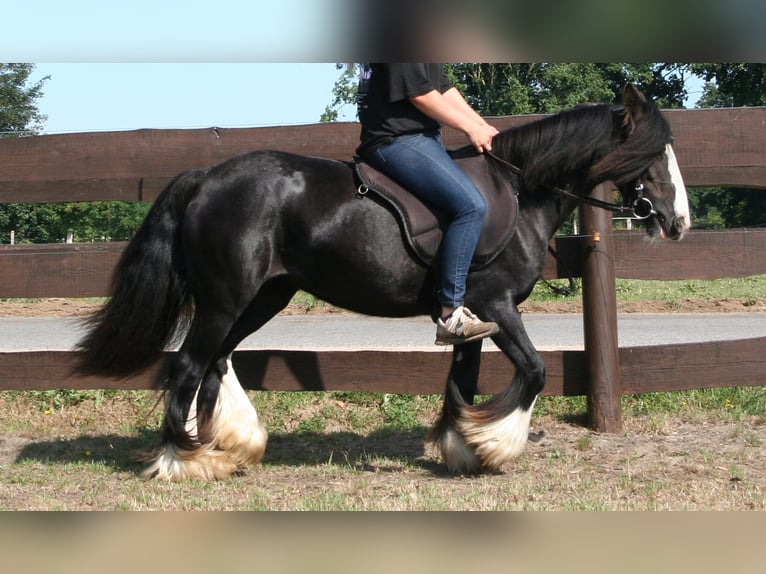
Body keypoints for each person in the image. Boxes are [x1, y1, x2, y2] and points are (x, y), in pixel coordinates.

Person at [356, 63, 500, 346]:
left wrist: (481, 124)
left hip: (423, 139)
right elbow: (419, 94)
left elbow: (442, 87)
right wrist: (469, 127)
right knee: (471, 206)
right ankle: (451, 315)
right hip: (395, 140)